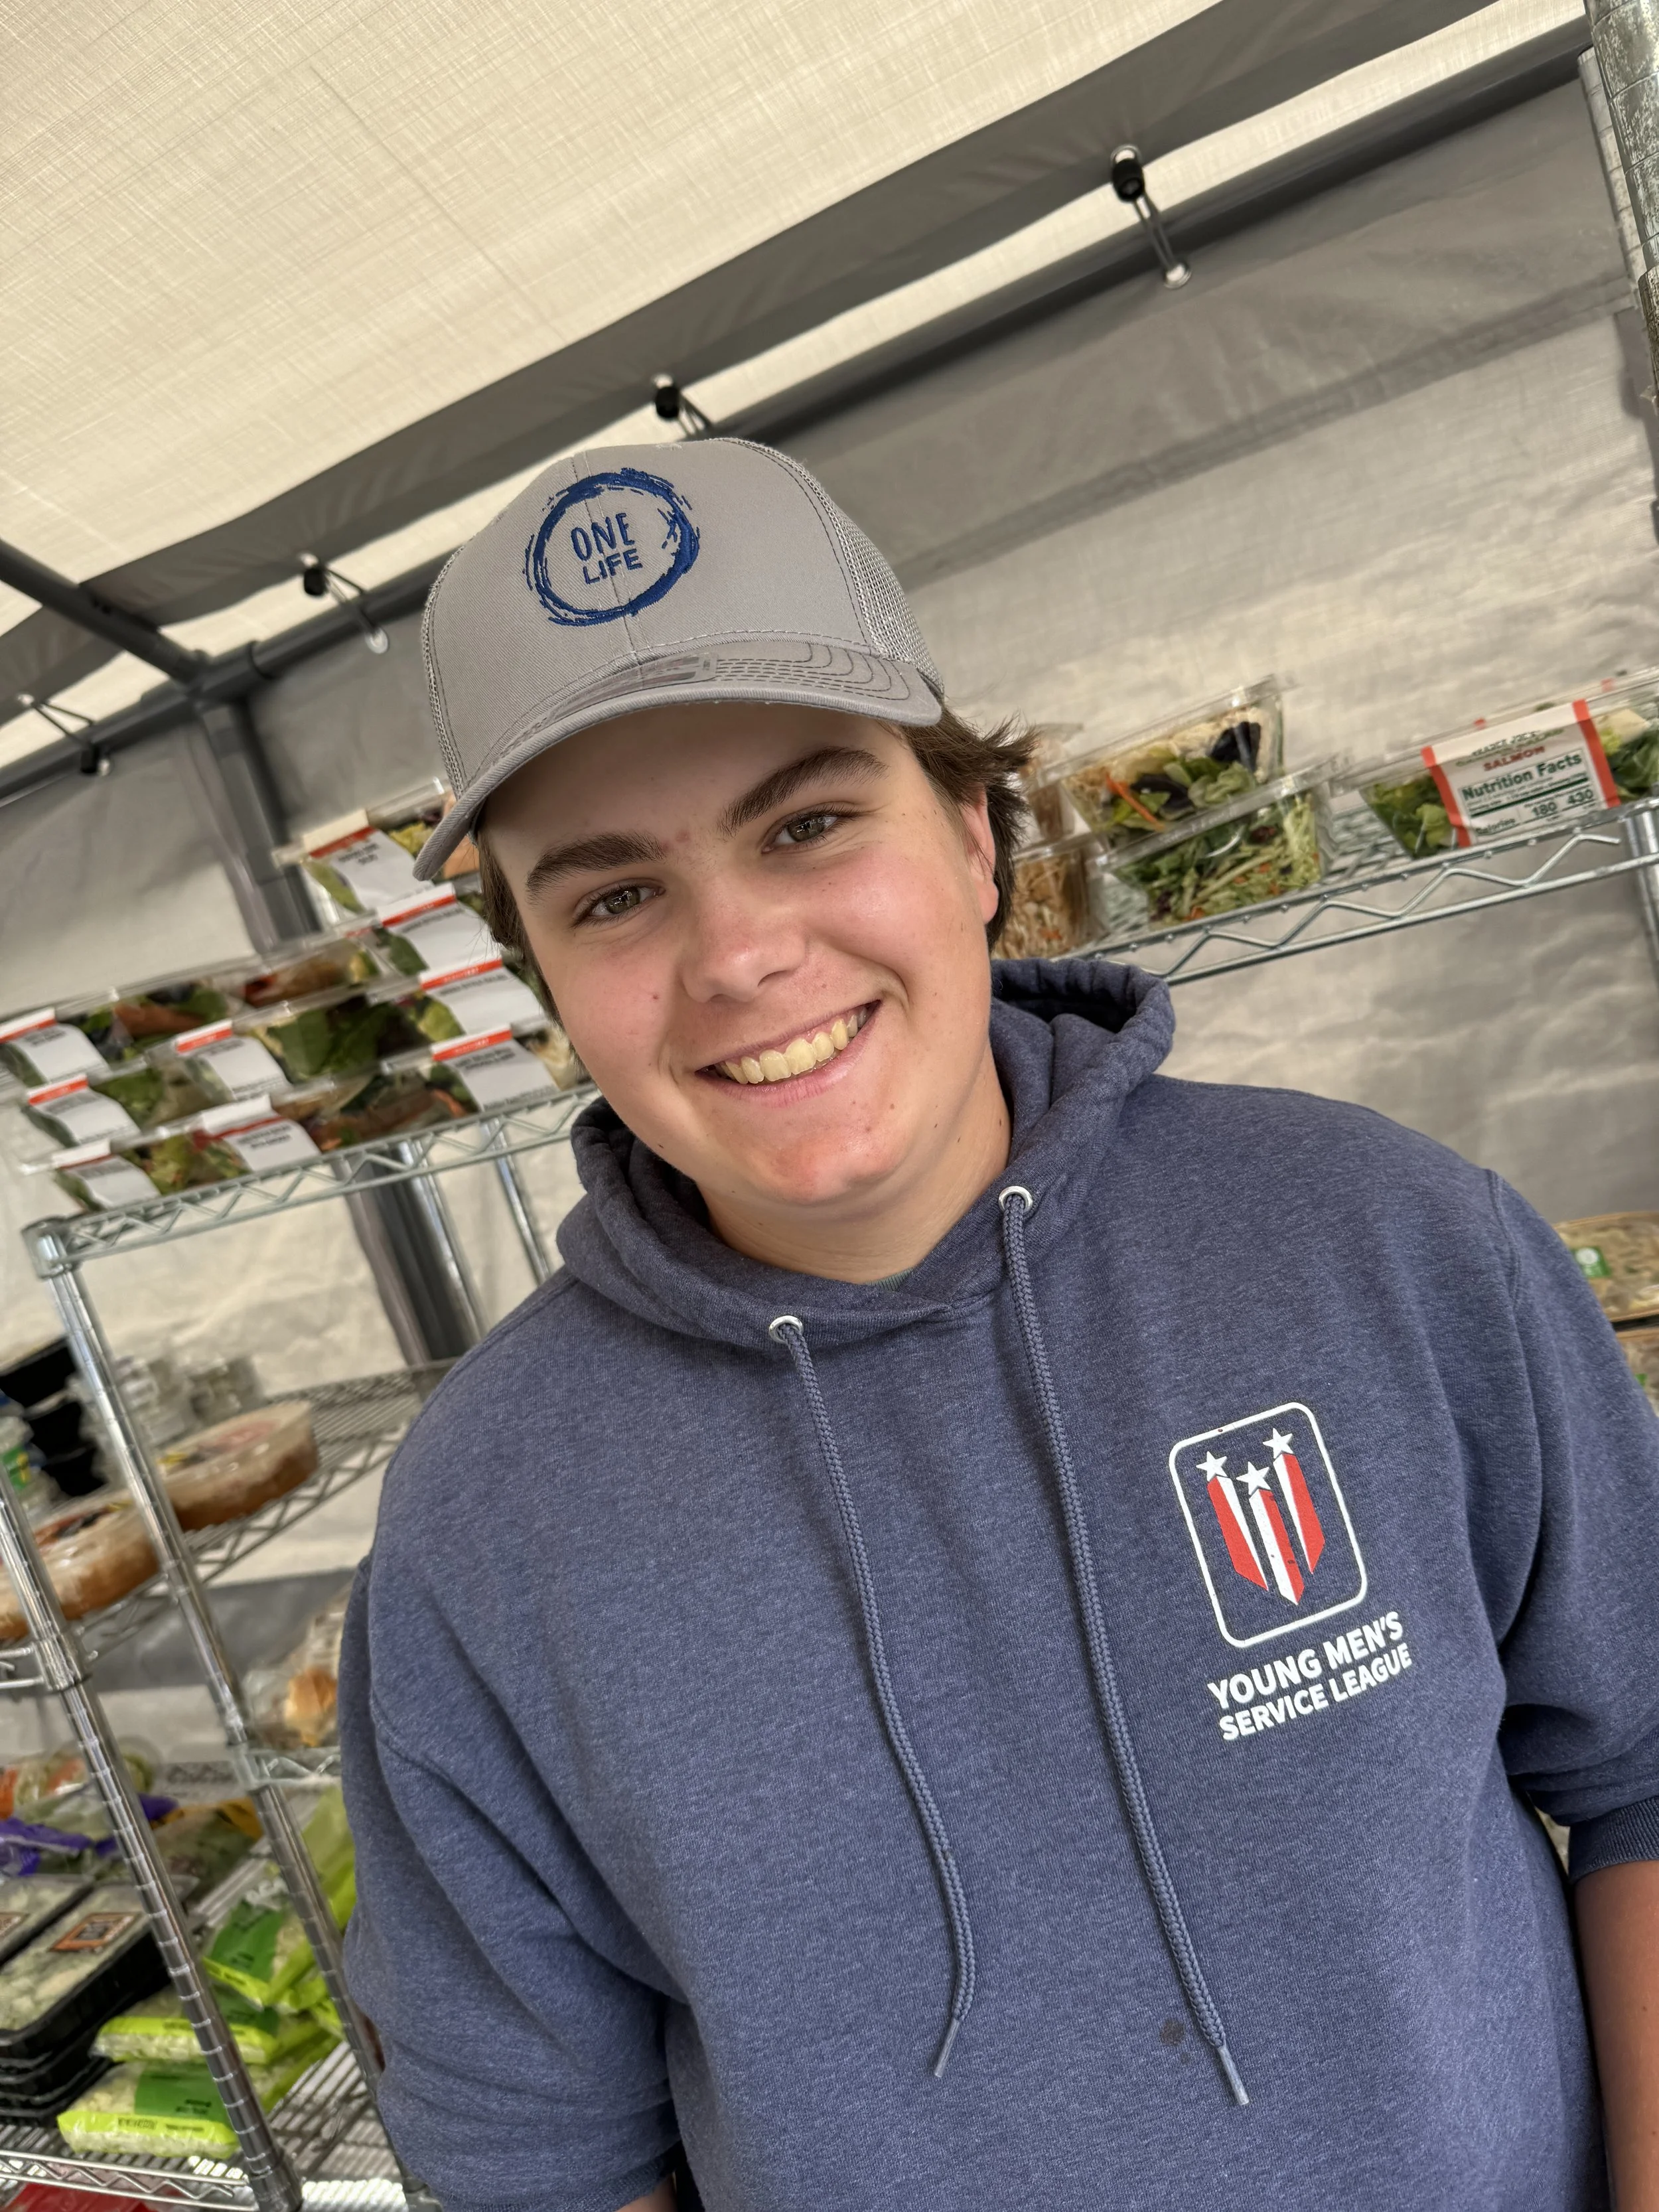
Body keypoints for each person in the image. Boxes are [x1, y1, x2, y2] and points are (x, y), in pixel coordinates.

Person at [338, 437, 1659, 2212]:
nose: (737, 952)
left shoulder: (1385, 1242)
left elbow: (1641, 1767)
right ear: (542, 980)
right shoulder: (475, 1532)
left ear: (972, 835)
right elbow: (541, 2163)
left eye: (806, 822)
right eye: (613, 892)